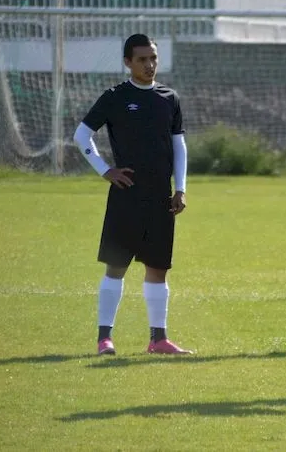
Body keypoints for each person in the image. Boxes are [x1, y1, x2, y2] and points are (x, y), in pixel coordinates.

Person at [73, 33, 193, 356]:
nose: (149, 64)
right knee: (116, 267)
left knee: (158, 268)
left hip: (161, 198)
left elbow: (179, 145)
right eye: (142, 59)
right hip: (126, 195)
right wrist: (105, 170)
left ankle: (158, 339)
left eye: (153, 58)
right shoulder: (115, 97)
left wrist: (180, 188)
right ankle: (104, 338)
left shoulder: (169, 98)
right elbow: (82, 134)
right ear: (128, 62)